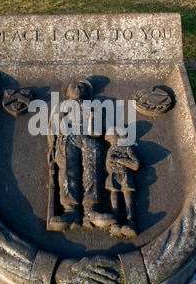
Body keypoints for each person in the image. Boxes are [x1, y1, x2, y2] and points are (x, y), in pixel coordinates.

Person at [48, 78, 116, 231]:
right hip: (67, 137)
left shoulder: (94, 106)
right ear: (67, 92)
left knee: (91, 171)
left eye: (82, 86)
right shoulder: (63, 106)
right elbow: (53, 124)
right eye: (74, 86)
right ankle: (70, 211)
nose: (78, 88)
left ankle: (90, 210)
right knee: (67, 172)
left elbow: (105, 125)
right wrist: (51, 145)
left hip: (89, 138)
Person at [105, 130, 140, 237]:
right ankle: (115, 222)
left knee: (128, 201)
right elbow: (108, 165)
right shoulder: (110, 150)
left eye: (112, 137)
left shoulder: (128, 149)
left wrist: (119, 160)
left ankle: (130, 222)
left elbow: (135, 165)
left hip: (125, 176)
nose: (111, 140)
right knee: (114, 200)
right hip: (114, 176)